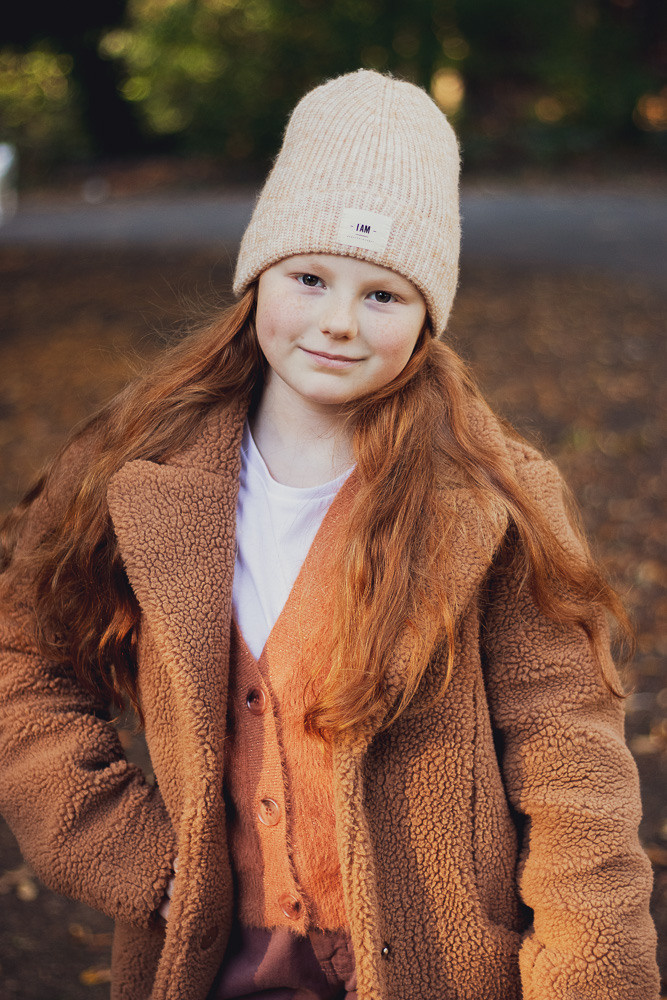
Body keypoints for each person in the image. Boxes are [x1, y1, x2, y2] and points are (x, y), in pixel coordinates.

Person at [0, 70, 659, 1000]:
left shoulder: (492, 498)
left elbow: (571, 766)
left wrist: (593, 977)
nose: (338, 323)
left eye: (382, 295)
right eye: (309, 278)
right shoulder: (134, 466)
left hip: (436, 966)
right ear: (259, 273)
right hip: (207, 958)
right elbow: (21, 659)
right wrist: (127, 851)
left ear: (428, 316)